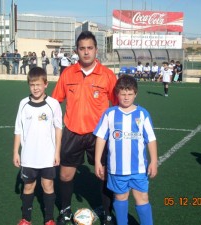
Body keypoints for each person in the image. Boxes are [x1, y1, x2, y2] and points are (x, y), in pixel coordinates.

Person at [52, 31, 118, 225]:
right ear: (76, 51)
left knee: (103, 173)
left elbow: (117, 105)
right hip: (72, 131)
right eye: (82, 48)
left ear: (96, 50)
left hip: (99, 135)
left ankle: (107, 213)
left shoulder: (107, 75)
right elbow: (56, 102)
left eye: (90, 48)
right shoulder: (67, 73)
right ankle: (65, 210)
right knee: (65, 174)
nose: (86, 52)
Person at [94, 75, 158, 225]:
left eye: (130, 94)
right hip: (117, 169)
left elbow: (151, 139)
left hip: (139, 169)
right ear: (117, 94)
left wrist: (154, 161)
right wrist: (97, 161)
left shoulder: (142, 114)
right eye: (123, 94)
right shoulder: (109, 114)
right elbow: (101, 138)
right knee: (121, 198)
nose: (126, 97)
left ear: (135, 94)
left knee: (142, 197)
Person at [13, 67, 63, 225]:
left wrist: (57, 152)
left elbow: (58, 129)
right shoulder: (23, 104)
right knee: (28, 186)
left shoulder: (53, 104)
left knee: (47, 185)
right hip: (28, 156)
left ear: (46, 84)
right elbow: (18, 129)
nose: (35, 88)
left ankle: (49, 219)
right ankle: (26, 219)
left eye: (38, 84)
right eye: (32, 84)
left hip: (47, 155)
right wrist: (16, 152)